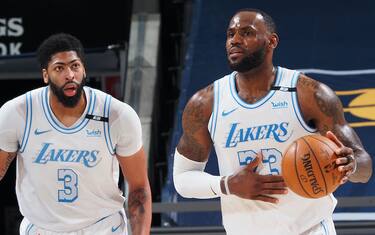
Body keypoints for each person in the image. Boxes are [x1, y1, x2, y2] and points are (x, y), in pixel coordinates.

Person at [173, 8, 372, 235]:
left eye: (246, 33)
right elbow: (182, 179)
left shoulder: (309, 94)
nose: (235, 40)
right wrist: (227, 184)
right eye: (231, 34)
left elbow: (364, 166)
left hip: (310, 229)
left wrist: (350, 165)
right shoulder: (204, 104)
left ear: (271, 41)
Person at [0, 33, 151, 234]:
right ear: (46, 75)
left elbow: (139, 188)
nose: (70, 75)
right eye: (59, 68)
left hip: (103, 227)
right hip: (42, 229)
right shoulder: (17, 113)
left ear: (83, 69)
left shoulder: (117, 115)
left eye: (75, 66)